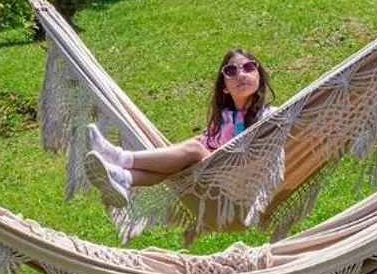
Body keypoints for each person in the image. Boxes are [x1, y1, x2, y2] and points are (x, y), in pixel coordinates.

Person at [83, 49, 272, 201]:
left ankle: (118, 157)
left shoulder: (271, 116)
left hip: (241, 185)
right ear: (224, 87)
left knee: (193, 151)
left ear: (259, 76)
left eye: (249, 67)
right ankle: (122, 177)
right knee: (177, 165)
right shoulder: (224, 119)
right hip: (213, 180)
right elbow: (203, 141)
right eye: (231, 71)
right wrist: (170, 154)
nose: (241, 74)